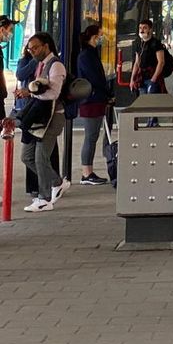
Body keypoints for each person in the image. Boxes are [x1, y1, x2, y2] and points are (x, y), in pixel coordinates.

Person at [17, 32, 67, 212]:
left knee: (41, 157)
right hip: (39, 118)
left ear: (46, 46)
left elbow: (53, 94)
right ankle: (56, 182)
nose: (33, 52)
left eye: (36, 48)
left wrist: (30, 92)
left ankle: (44, 199)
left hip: (53, 118)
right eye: (30, 49)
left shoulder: (56, 66)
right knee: (27, 156)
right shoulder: (40, 65)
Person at [75, 24, 112, 186]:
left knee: (93, 136)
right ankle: (86, 172)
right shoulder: (86, 56)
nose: (101, 39)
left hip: (95, 99)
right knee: (91, 136)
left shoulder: (90, 53)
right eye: (100, 36)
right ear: (93, 37)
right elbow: (95, 78)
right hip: (92, 100)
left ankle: (88, 171)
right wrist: (107, 92)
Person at [129, 19, 169, 95]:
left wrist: (153, 79)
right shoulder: (139, 44)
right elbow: (137, 63)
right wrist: (132, 79)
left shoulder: (156, 43)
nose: (142, 30)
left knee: (152, 102)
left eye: (145, 28)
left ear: (150, 29)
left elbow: (161, 62)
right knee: (143, 102)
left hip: (153, 77)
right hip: (142, 78)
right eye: (140, 28)